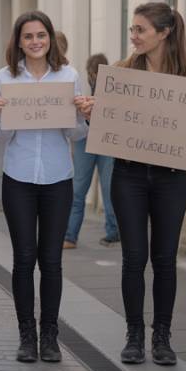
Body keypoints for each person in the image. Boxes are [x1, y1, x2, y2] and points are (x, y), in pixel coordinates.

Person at [79, 3, 186, 366]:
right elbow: (104, 129)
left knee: (165, 260)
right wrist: (94, 116)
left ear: (164, 32)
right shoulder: (122, 74)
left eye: (140, 29)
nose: (133, 36)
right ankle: (134, 335)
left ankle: (163, 336)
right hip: (129, 175)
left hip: (171, 179)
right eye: (132, 29)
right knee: (133, 258)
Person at [0, 11, 87, 363]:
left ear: (50, 39)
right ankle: (26, 335)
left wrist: (80, 113)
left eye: (41, 36)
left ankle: (50, 336)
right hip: (18, 178)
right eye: (28, 36)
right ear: (18, 41)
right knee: (23, 259)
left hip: (58, 178)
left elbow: (76, 134)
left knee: (52, 261)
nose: (35, 42)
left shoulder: (68, 76)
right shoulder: (4, 78)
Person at [64, 54, 118, 248]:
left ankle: (70, 236)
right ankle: (112, 231)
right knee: (108, 187)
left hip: (88, 140)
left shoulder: (89, 86)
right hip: (104, 139)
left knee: (78, 188)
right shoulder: (112, 88)